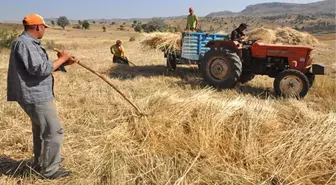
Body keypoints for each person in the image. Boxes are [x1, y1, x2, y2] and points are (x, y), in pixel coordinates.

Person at [7, 14, 76, 179]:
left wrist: (62, 63)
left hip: (35, 93)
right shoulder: (25, 44)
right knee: (54, 131)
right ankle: (50, 170)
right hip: (35, 95)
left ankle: (42, 162)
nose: (44, 30)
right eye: (44, 27)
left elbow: (40, 68)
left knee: (41, 131)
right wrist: (63, 58)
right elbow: (40, 70)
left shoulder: (28, 43)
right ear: (38, 27)